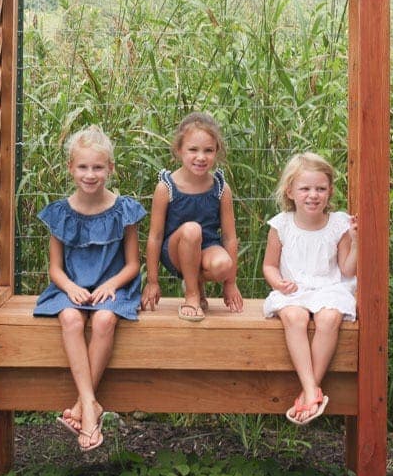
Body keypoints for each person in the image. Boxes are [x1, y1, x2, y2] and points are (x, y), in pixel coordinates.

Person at [33, 125, 146, 451]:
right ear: (70, 168)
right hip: (71, 289)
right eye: (83, 167)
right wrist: (70, 288)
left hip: (113, 290)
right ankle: (89, 404)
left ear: (110, 168)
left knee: (104, 321)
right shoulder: (60, 213)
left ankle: (83, 408)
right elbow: (55, 268)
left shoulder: (124, 210)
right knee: (70, 319)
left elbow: (132, 265)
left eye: (98, 167)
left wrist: (111, 284)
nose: (90, 174)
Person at [262, 151, 357, 424]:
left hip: (329, 287)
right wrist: (277, 281)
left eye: (320, 188)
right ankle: (311, 389)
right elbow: (269, 265)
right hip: (295, 290)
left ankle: (308, 392)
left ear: (330, 191)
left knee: (330, 317)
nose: (313, 195)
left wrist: (356, 241)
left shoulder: (338, 224)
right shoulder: (281, 225)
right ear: (290, 191)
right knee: (295, 316)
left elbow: (347, 269)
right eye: (305, 188)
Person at [141, 111, 244, 321]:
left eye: (208, 150)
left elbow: (229, 237)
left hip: (207, 247)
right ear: (179, 150)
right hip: (175, 250)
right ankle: (192, 295)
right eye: (193, 149)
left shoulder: (221, 189)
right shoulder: (166, 187)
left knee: (224, 265)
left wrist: (230, 283)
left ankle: (196, 283)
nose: (201, 157)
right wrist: (152, 281)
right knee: (191, 229)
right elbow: (155, 236)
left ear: (217, 151)